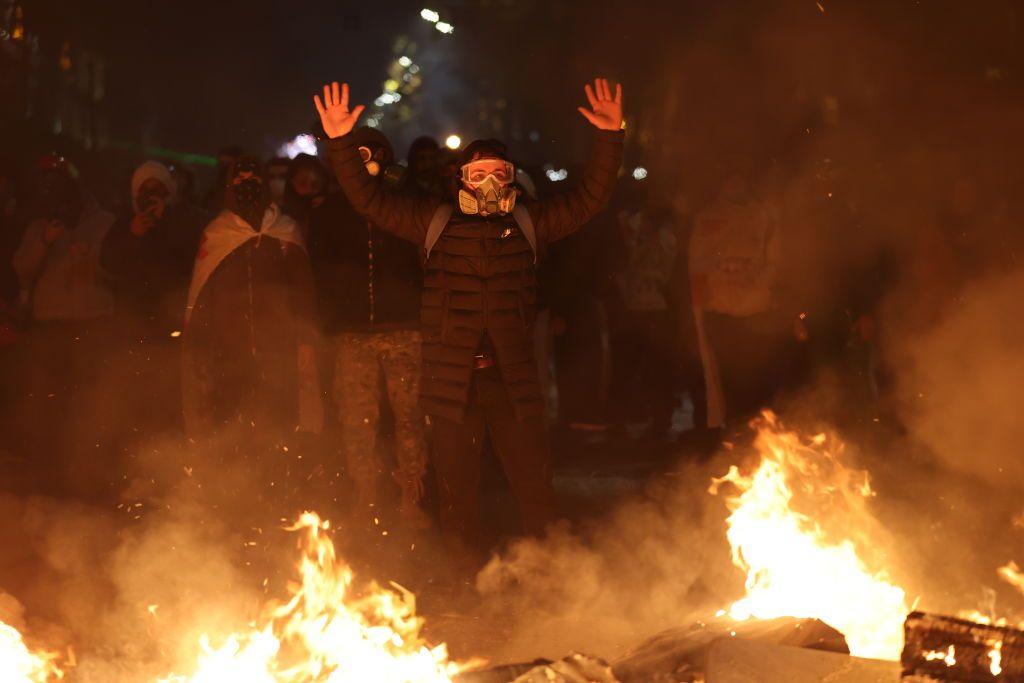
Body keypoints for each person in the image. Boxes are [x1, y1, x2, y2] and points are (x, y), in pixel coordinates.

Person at [313, 78, 624, 551]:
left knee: (534, 487)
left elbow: (590, 199)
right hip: (450, 379)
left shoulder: (529, 221)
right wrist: (339, 143)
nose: (490, 183)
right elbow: (369, 202)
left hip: (513, 378)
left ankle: (549, 577)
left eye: (499, 173)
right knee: (456, 493)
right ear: (461, 179)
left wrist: (610, 136)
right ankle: (460, 578)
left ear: (512, 177)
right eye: (478, 175)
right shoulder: (433, 221)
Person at [307, 126, 429, 528]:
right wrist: (326, 322)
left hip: (406, 328)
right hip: (353, 332)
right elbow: (320, 275)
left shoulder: (407, 207)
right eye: (354, 155)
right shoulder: (329, 213)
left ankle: (412, 496)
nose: (365, 163)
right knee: (357, 419)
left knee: (411, 417)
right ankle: (366, 496)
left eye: (371, 154)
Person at [182, 157, 322, 450]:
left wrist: (306, 341)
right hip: (229, 354)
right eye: (240, 181)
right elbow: (201, 296)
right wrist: (199, 345)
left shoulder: (285, 231)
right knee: (232, 429)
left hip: (278, 351)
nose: (248, 187)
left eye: (254, 181)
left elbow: (304, 293)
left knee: (280, 430)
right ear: (230, 187)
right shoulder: (216, 234)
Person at [10, 154, 118, 495]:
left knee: (88, 400)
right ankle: (51, 473)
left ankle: (90, 473)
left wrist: (88, 259)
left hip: (90, 324)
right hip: (49, 326)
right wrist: (45, 240)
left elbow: (117, 268)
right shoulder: (38, 226)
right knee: (48, 401)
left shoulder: (103, 222)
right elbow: (21, 270)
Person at [689, 168, 802, 431]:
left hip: (756, 312)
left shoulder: (763, 216)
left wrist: (762, 288)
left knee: (758, 378)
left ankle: (759, 436)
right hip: (722, 312)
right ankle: (735, 436)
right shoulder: (709, 216)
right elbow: (697, 262)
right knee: (730, 380)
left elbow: (775, 260)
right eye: (730, 177)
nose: (735, 183)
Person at [282, 153, 329, 234]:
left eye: (315, 184)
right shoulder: (282, 218)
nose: (309, 189)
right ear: (292, 182)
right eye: (302, 183)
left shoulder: (330, 209)